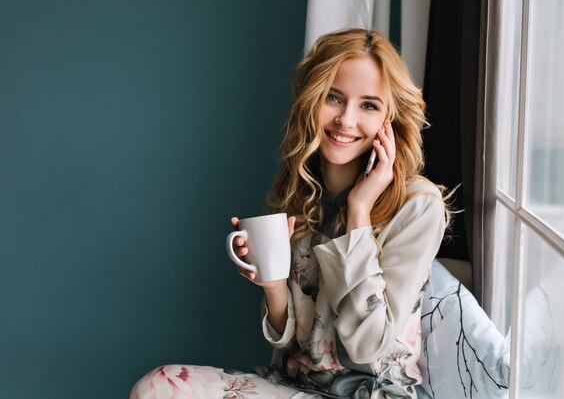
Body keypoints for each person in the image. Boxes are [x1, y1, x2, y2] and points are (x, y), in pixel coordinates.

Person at [130, 28, 452, 399]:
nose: (346, 120)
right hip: (296, 387)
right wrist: (273, 285)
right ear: (311, 100)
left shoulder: (418, 207)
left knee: (159, 388)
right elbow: (297, 342)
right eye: (334, 97)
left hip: (371, 394)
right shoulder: (301, 191)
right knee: (157, 388)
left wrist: (359, 210)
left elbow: (367, 347)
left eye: (368, 105)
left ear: (388, 119)